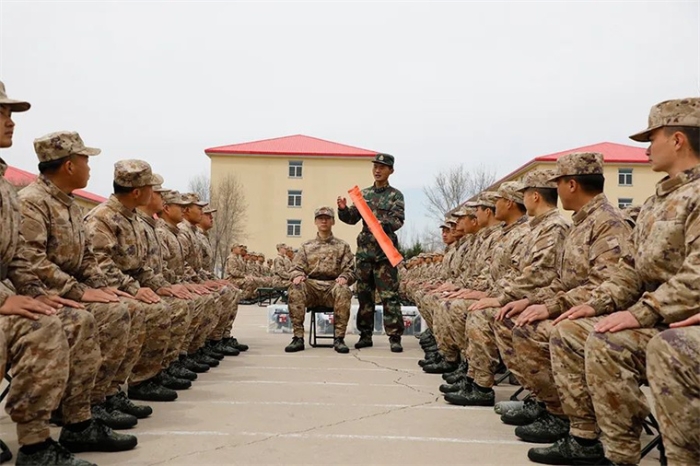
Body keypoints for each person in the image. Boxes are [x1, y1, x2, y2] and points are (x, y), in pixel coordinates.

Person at [573, 97, 700, 465]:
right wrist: (597, 304)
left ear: (677, 140)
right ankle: (620, 455)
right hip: (664, 319)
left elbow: (696, 274)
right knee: (602, 339)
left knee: (668, 347)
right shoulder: (657, 201)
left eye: (652, 138)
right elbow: (631, 268)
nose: (646, 148)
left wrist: (645, 311)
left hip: (676, 321)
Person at [501, 153, 633, 464]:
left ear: (572, 184)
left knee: (557, 332)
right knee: (519, 319)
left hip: (599, 310)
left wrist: (552, 307)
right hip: (579, 306)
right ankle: (554, 409)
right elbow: (562, 282)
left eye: (558, 184)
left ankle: (581, 430)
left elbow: (606, 285)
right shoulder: (581, 222)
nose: (556, 191)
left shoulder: (607, 223)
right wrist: (534, 301)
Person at [1, 80, 105, 466]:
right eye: (2, 113)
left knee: (72, 317)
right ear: (69, 164)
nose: (10, 122)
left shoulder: (9, 190)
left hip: (18, 292)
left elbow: (18, 259)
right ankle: (36, 443)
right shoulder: (30, 199)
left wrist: (42, 294)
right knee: (47, 325)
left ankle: (81, 418)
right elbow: (32, 258)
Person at [84, 159, 176, 403]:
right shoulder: (103, 217)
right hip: (102, 288)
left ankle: (140, 380)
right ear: (137, 192)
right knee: (133, 310)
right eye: (151, 188)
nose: (157, 194)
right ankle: (103, 394)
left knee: (159, 306)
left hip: (124, 287)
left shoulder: (132, 218)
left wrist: (161, 287)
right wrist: (134, 289)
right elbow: (100, 264)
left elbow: (142, 265)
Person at [338, 153, 405, 352]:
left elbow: (398, 221)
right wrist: (342, 210)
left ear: (390, 171)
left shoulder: (395, 195)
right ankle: (365, 335)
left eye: (382, 167)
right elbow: (351, 219)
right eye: (375, 166)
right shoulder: (364, 195)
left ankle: (394, 337)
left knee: (389, 296)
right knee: (364, 295)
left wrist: (381, 224)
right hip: (365, 254)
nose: (377, 170)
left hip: (385, 254)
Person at [285, 207, 355, 354]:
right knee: (295, 287)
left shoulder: (342, 246)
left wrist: (344, 277)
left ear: (333, 222)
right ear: (315, 221)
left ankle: (339, 338)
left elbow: (350, 270)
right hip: (312, 287)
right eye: (320, 218)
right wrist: (297, 275)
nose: (324, 221)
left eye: (327, 218)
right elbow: (295, 268)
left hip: (333, 287)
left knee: (344, 290)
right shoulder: (306, 246)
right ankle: (298, 337)